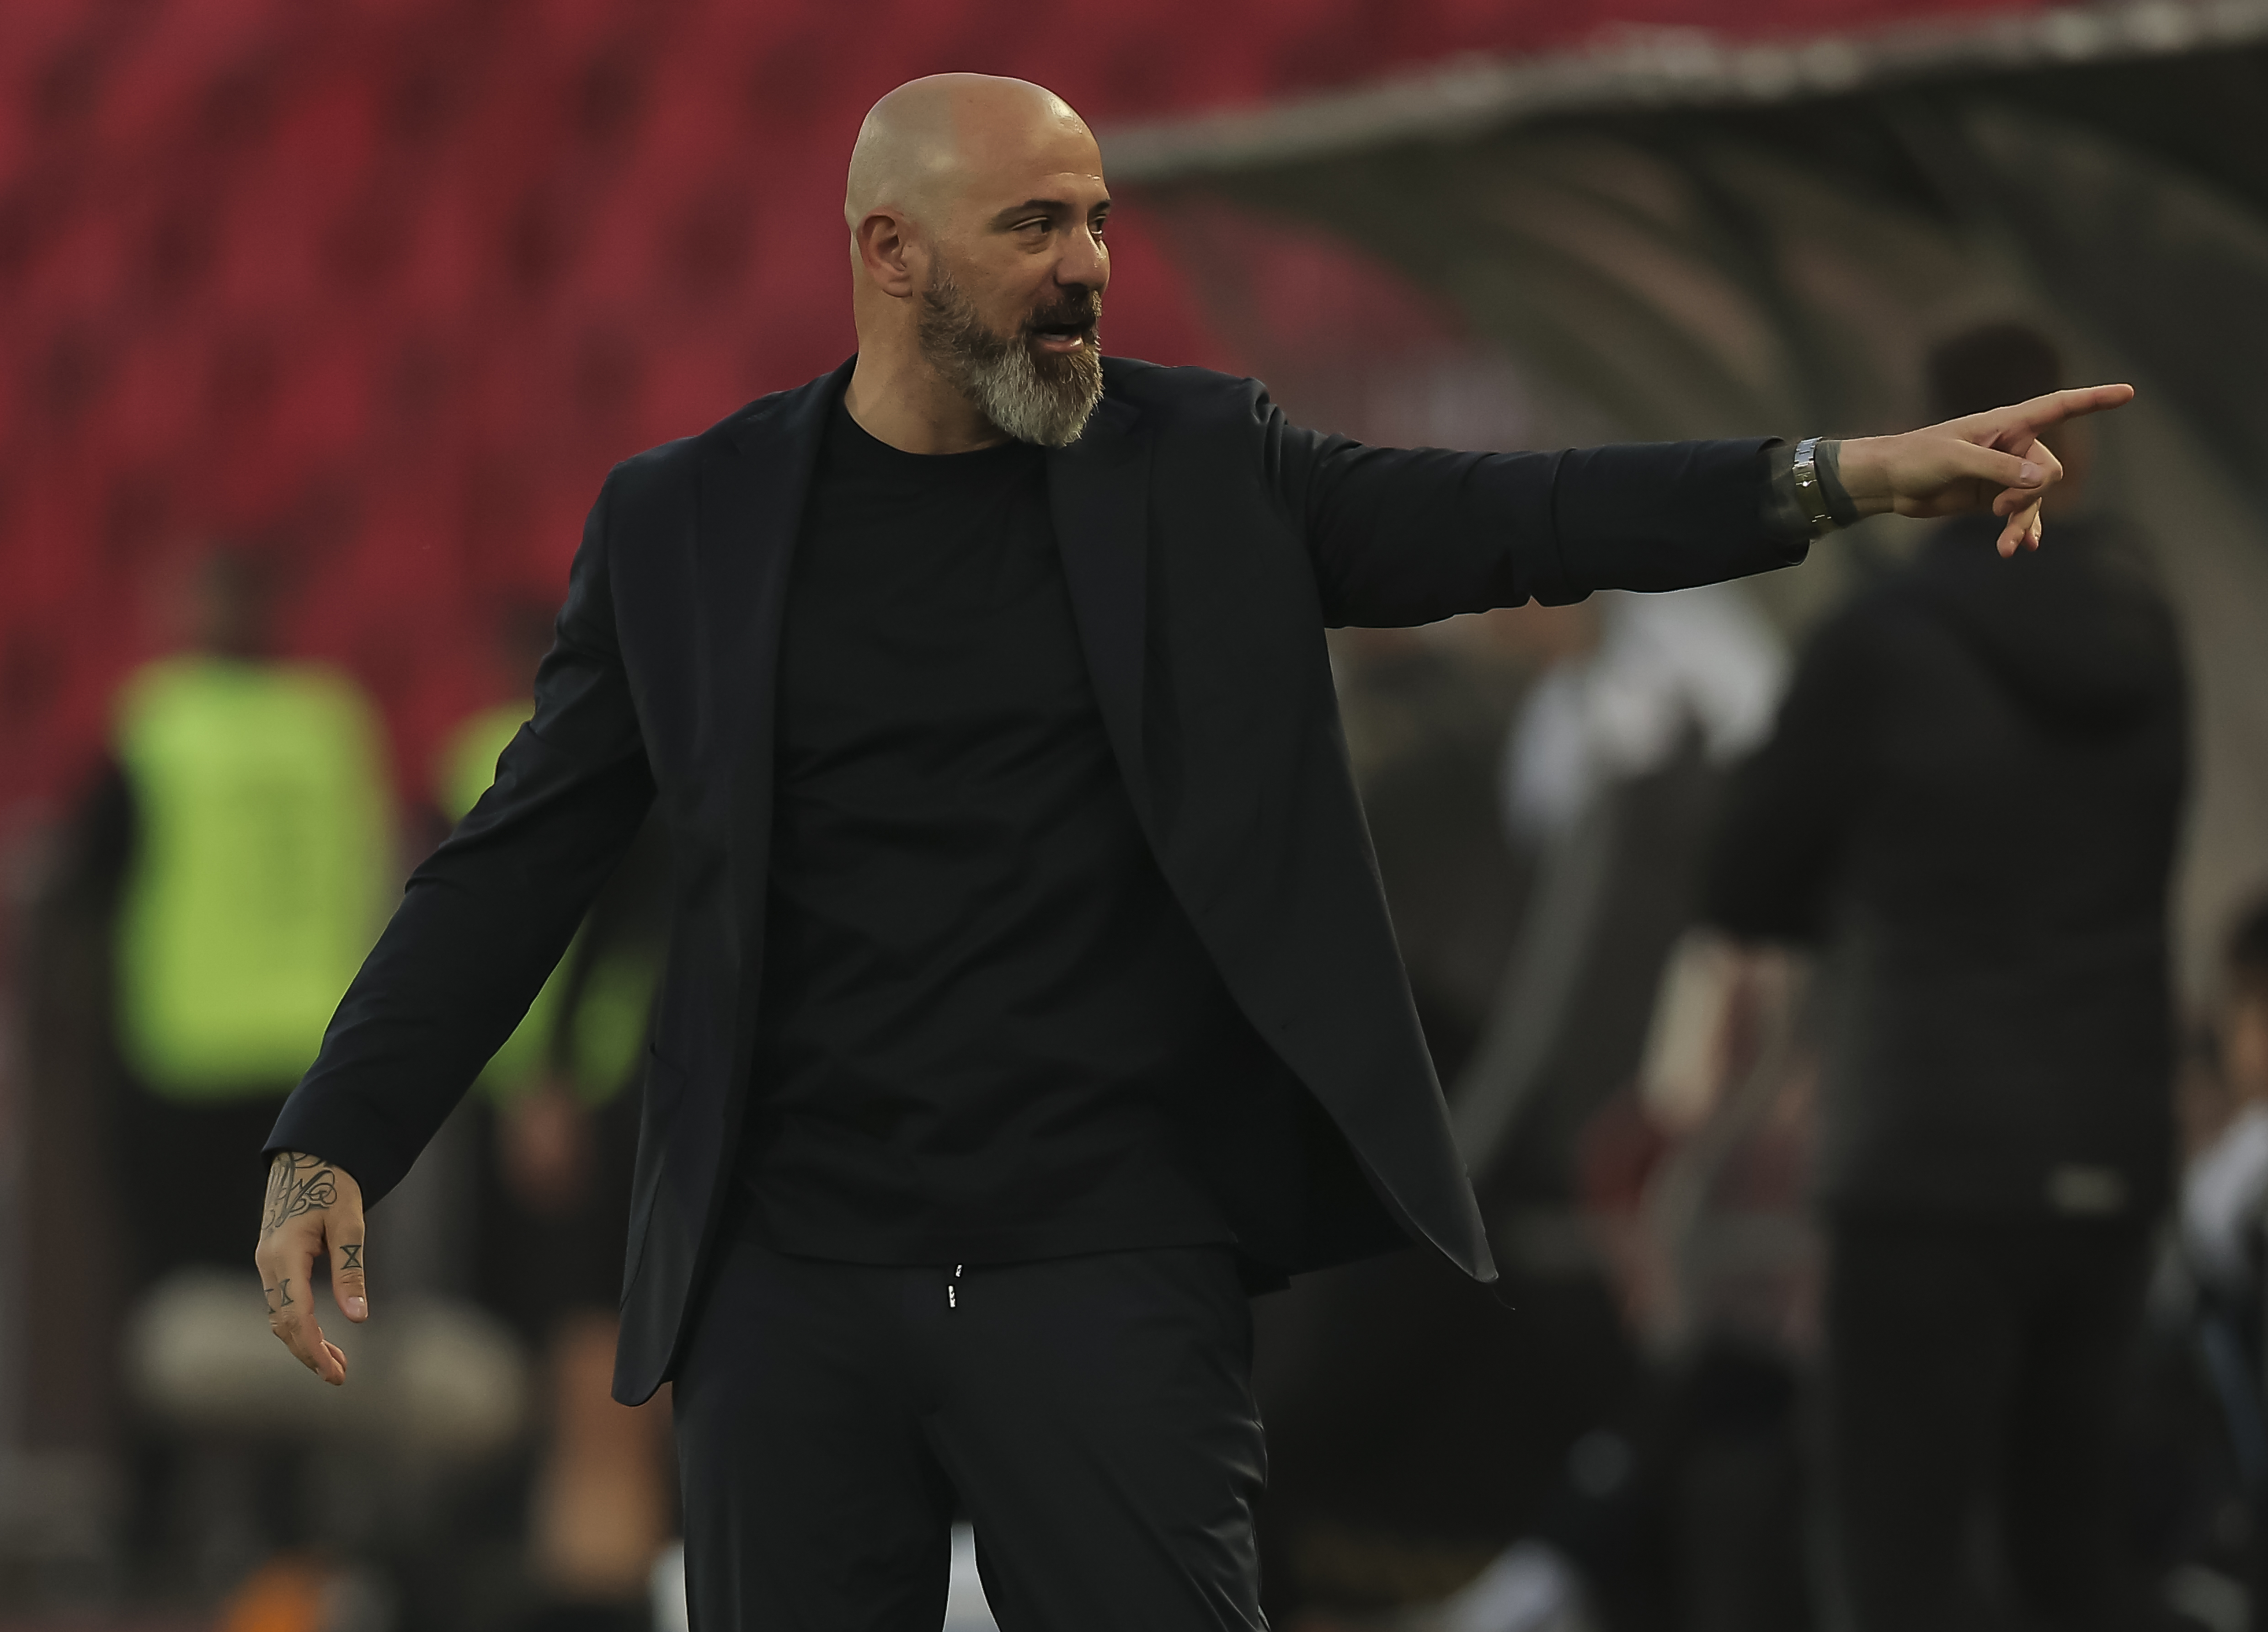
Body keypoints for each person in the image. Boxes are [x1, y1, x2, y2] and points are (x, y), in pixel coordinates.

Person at [251, 77, 2129, 1631]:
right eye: (1031, 231)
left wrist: (1834, 476)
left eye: (1092, 223)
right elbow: (517, 858)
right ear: (884, 252)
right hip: (788, 1278)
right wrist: (339, 1128)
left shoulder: (1200, 468)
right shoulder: (685, 525)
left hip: (1105, 1262)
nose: (1083, 270)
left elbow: (1516, 519)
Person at [1702, 321, 2187, 1632]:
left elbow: (1740, 877)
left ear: (1936, 442)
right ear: (2070, 451)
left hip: (1924, 1157)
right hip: (2107, 1155)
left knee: (1894, 1562)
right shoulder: (2150, 643)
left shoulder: (1876, 643)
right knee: (2070, 1550)